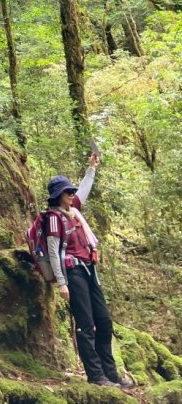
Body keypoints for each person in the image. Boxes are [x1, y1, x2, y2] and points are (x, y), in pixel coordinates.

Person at [46, 153, 132, 388]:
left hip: (89, 270)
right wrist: (62, 283)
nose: (72, 194)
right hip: (73, 274)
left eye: (71, 191)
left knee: (104, 321)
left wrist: (91, 168)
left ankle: (110, 373)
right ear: (58, 196)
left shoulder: (75, 211)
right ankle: (96, 376)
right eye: (67, 192)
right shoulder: (54, 218)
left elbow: (85, 189)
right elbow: (54, 252)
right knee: (85, 325)